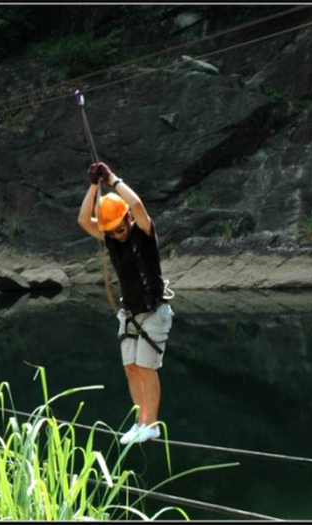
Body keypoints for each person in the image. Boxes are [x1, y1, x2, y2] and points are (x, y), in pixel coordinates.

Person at [77, 161, 174, 445]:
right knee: (131, 367)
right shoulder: (110, 239)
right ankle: (140, 421)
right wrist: (94, 185)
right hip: (130, 314)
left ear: (128, 219)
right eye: (112, 231)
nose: (118, 234)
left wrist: (112, 179)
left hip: (154, 311)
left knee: (146, 368)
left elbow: (139, 204)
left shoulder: (143, 232)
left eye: (120, 228)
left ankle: (152, 424)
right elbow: (84, 220)